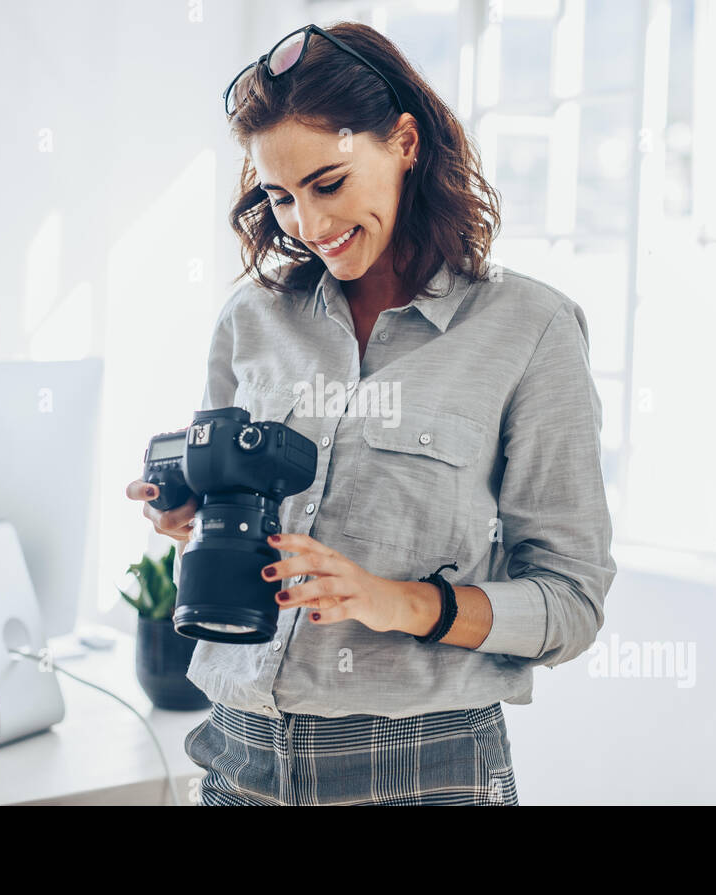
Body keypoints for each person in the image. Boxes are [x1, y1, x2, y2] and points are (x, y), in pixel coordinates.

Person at [126, 21, 616, 806]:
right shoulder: (251, 320)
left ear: (405, 143)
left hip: (425, 765)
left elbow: (571, 601)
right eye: (280, 196)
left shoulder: (531, 330)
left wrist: (395, 600)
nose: (309, 226)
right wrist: (192, 509)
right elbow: (229, 503)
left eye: (329, 183)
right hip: (237, 751)